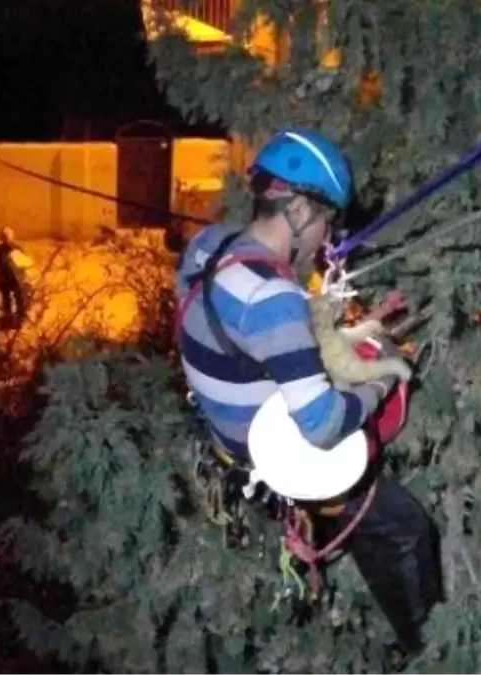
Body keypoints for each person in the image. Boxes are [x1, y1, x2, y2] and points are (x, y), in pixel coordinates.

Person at [174, 128, 442, 654]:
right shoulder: (274, 299)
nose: (326, 240)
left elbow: (236, 329)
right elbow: (319, 426)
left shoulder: (209, 247)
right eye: (325, 223)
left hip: (223, 429)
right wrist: (386, 376)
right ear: (296, 212)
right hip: (271, 457)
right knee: (407, 529)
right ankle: (427, 653)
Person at [0, 227, 29, 326]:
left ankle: (21, 318)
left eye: (7, 236)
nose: (5, 239)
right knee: (6, 300)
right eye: (3, 237)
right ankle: (8, 318)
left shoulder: (17, 249)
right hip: (5, 278)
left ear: (12, 237)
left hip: (16, 277)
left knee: (19, 299)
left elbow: (23, 263)